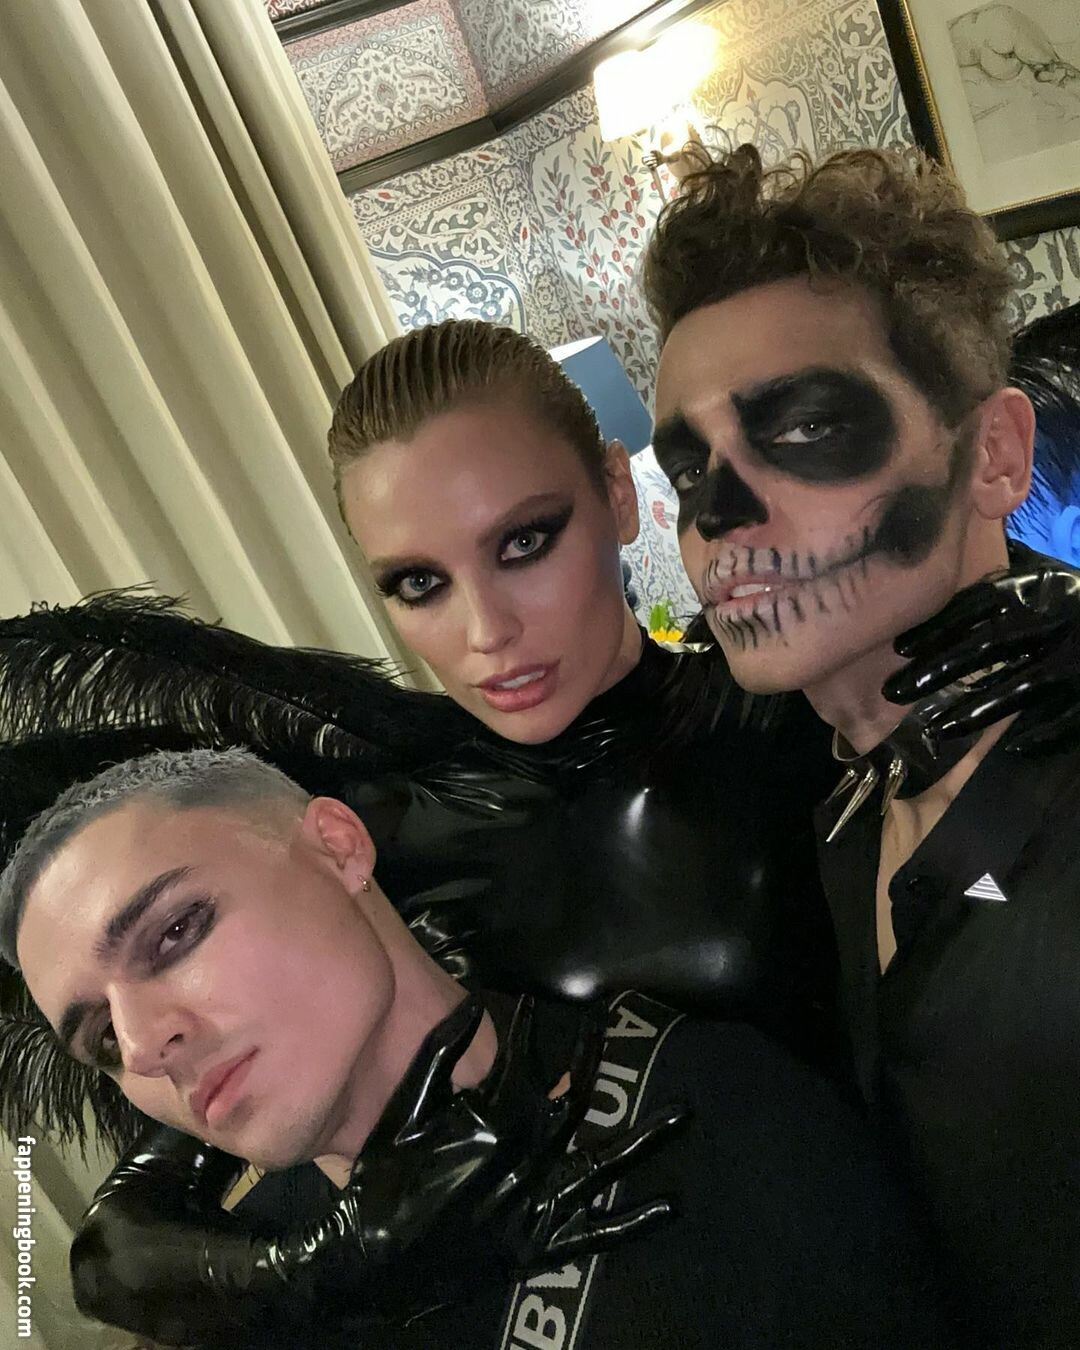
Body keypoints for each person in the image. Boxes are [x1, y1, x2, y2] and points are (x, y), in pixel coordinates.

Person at [3, 311, 1080, 1343]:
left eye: (524, 542)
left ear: (616, 492)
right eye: (418, 583)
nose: (487, 632)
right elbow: (116, 1243)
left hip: (922, 1249)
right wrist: (319, 1267)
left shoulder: (798, 721)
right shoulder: (371, 842)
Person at [2, 746, 947, 1349]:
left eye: (176, 932)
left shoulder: (714, 1113)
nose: (142, 1045)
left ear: (338, 847)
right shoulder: (237, 1292)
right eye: (99, 1037)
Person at [642, 141, 1080, 1346]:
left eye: (803, 427)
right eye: (689, 467)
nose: (715, 520)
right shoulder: (837, 796)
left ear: (994, 455)